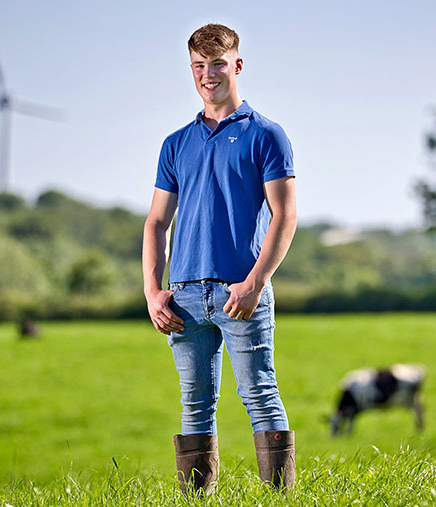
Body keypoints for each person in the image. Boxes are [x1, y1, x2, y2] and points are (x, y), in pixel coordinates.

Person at [142, 23, 297, 494]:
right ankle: (198, 501)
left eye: (217, 65)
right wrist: (152, 292)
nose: (207, 75)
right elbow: (155, 223)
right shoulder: (175, 143)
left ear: (237, 66)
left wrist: (255, 283)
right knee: (194, 404)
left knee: (260, 395)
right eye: (198, 67)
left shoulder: (266, 135)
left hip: (239, 293)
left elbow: (285, 216)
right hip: (184, 298)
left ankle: (279, 500)